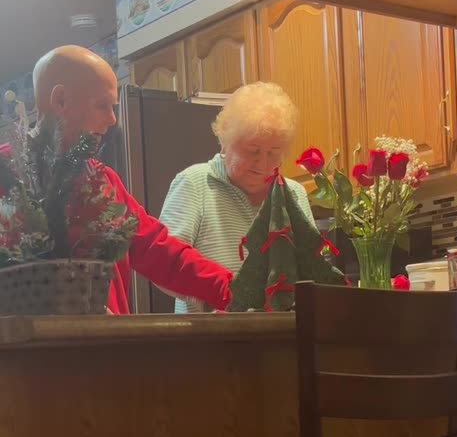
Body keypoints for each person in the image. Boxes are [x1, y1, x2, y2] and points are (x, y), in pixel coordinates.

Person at [33, 46, 232, 313]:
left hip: (110, 340)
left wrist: (234, 291)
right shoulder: (8, 175)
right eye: (102, 105)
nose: (112, 119)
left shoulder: (103, 179)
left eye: (113, 107)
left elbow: (157, 250)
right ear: (60, 101)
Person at [159, 82, 315, 313]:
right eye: (252, 151)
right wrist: (210, 299)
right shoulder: (194, 184)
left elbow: (310, 270)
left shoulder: (294, 194)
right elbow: (163, 265)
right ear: (226, 141)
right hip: (208, 333)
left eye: (274, 153)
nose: (263, 164)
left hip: (279, 333)